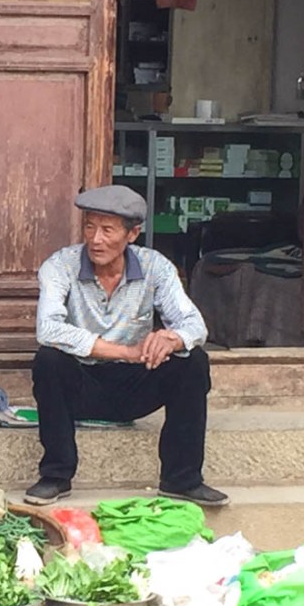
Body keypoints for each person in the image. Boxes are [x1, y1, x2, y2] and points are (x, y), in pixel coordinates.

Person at [25, 185, 229, 508]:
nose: (95, 239)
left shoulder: (156, 268)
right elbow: (48, 328)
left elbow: (195, 325)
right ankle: (56, 475)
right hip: (82, 385)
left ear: (132, 234)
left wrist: (171, 338)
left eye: (107, 230)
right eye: (90, 227)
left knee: (193, 361)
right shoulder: (60, 265)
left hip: (136, 385)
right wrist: (126, 351)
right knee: (49, 360)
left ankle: (182, 479)